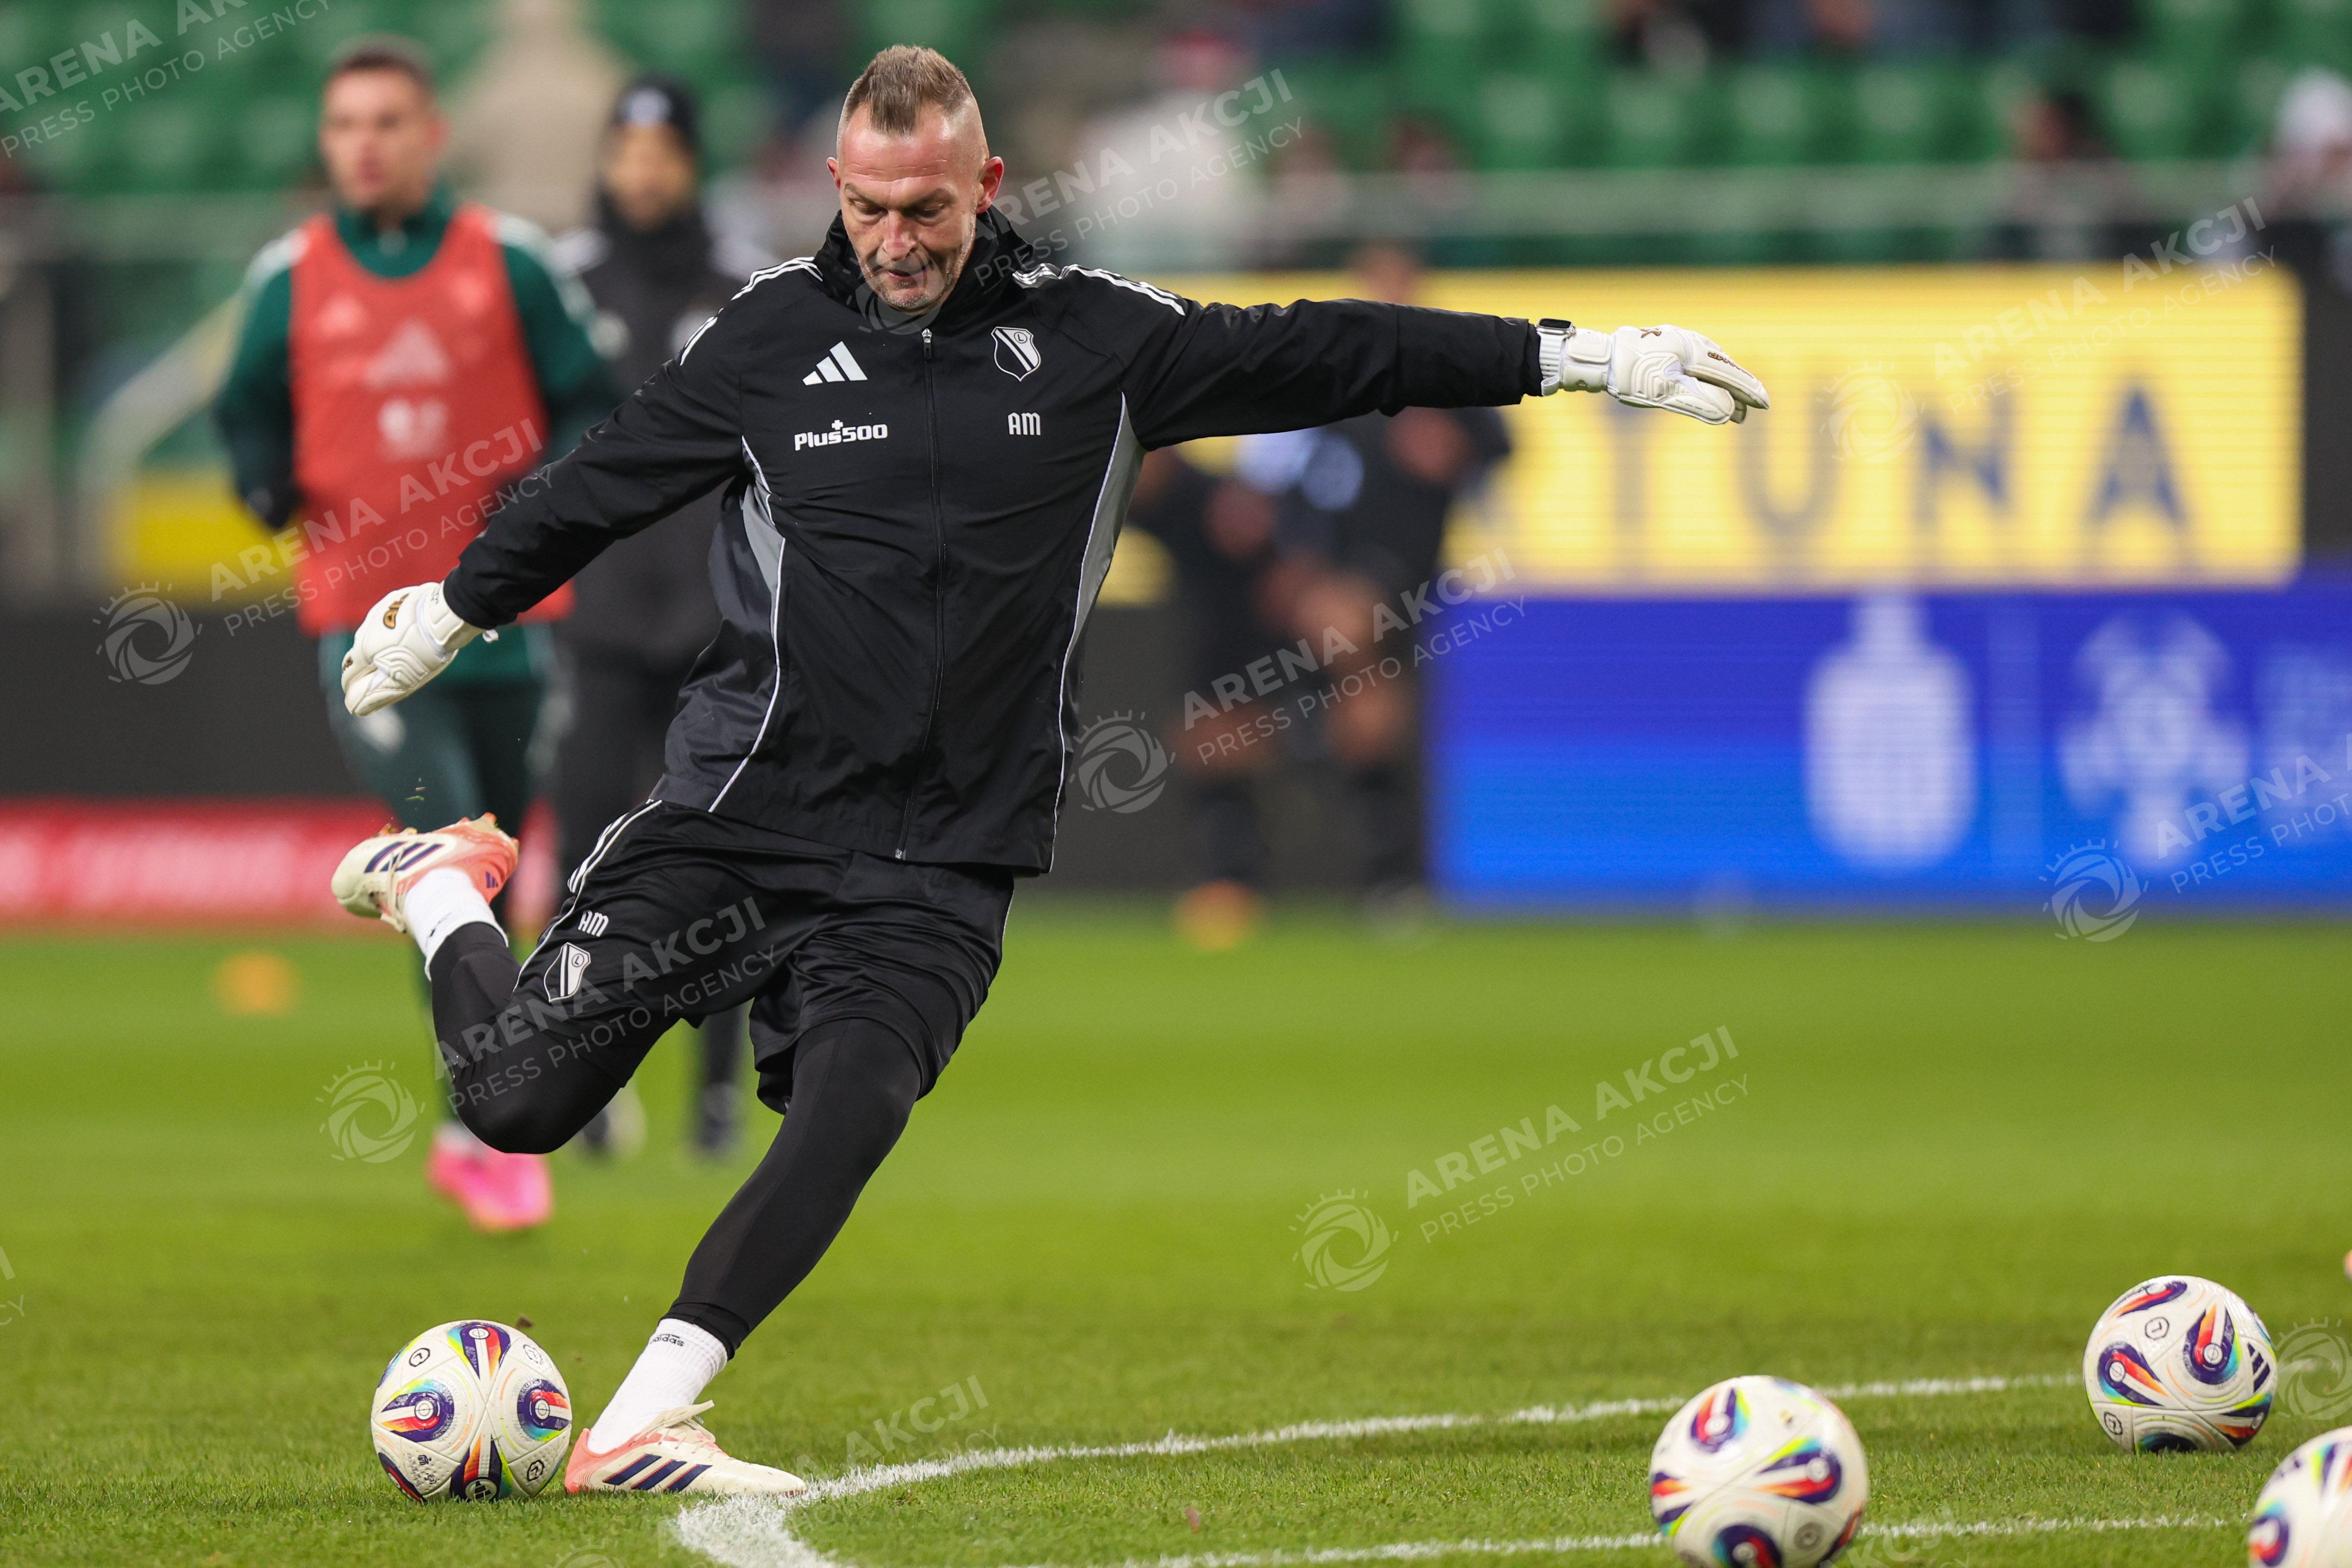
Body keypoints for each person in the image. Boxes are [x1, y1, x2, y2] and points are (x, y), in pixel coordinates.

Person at [324, 45, 1769, 1493]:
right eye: (870, 208)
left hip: (945, 851)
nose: (896, 241)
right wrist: (453, 611)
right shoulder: (766, 339)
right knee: (517, 1107)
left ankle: (645, 1419)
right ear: (834, 186)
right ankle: (441, 891)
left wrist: (1580, 355)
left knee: (852, 1106)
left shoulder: (1099, 341)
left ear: (987, 185)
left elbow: (1334, 350)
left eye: (927, 210)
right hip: (741, 810)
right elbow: (604, 481)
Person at [213, 35, 617, 1233]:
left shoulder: (511, 260)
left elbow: (592, 396)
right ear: (327, 141)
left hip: (506, 612)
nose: (366, 145)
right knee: (450, 851)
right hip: (364, 624)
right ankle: (493, 1131)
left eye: (387, 121)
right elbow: (244, 407)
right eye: (345, 125)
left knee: (494, 868)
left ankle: (468, 1119)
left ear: (432, 134)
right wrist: (263, 483)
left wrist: (543, 489)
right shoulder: (291, 274)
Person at [549, 74, 765, 1160]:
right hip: (592, 616)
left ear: (689, 163)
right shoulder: (562, 284)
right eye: (624, 151)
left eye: (661, 152)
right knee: (584, 862)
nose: (641, 172)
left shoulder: (741, 286)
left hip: (711, 619)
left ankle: (717, 1092)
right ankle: (581, 1085)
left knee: (717, 865)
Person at [1242, 244, 1513, 915]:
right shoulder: (1332, 370)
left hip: (1405, 569)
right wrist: (1290, 554)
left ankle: (1305, 723)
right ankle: (1386, 873)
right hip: (1329, 562)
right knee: (1367, 713)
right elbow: (1293, 471)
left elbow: (1500, 444)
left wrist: (1456, 451)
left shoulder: (1451, 368)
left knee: (1351, 646)